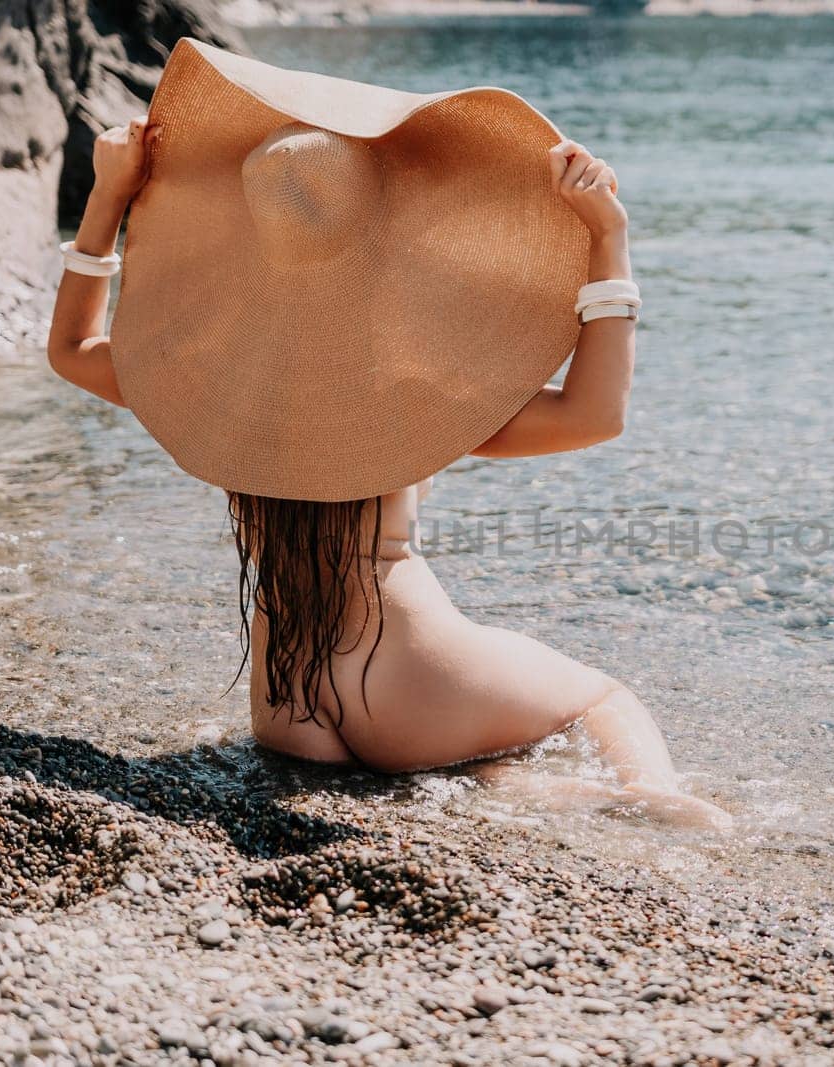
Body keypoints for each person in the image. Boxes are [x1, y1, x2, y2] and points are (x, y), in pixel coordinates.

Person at [46, 114, 731, 832]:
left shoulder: (211, 376)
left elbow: (72, 347)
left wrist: (108, 197)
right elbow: (595, 414)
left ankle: (513, 788)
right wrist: (607, 238)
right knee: (604, 701)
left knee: (464, 767)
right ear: (386, 237)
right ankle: (645, 800)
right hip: (408, 679)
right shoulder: (408, 388)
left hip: (286, 699)